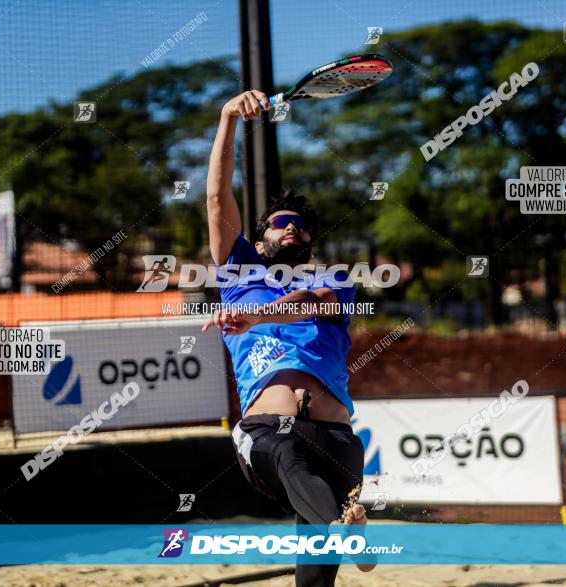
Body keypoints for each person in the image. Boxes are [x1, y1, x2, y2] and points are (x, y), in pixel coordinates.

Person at [203, 90, 374, 586]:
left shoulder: (336, 280)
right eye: (283, 224)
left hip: (340, 440)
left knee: (316, 581)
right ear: (259, 242)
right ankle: (345, 530)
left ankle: (340, 530)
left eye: (302, 227)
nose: (295, 229)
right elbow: (217, 197)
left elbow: (309, 302)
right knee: (290, 458)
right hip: (271, 433)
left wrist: (256, 318)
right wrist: (228, 115)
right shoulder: (238, 273)